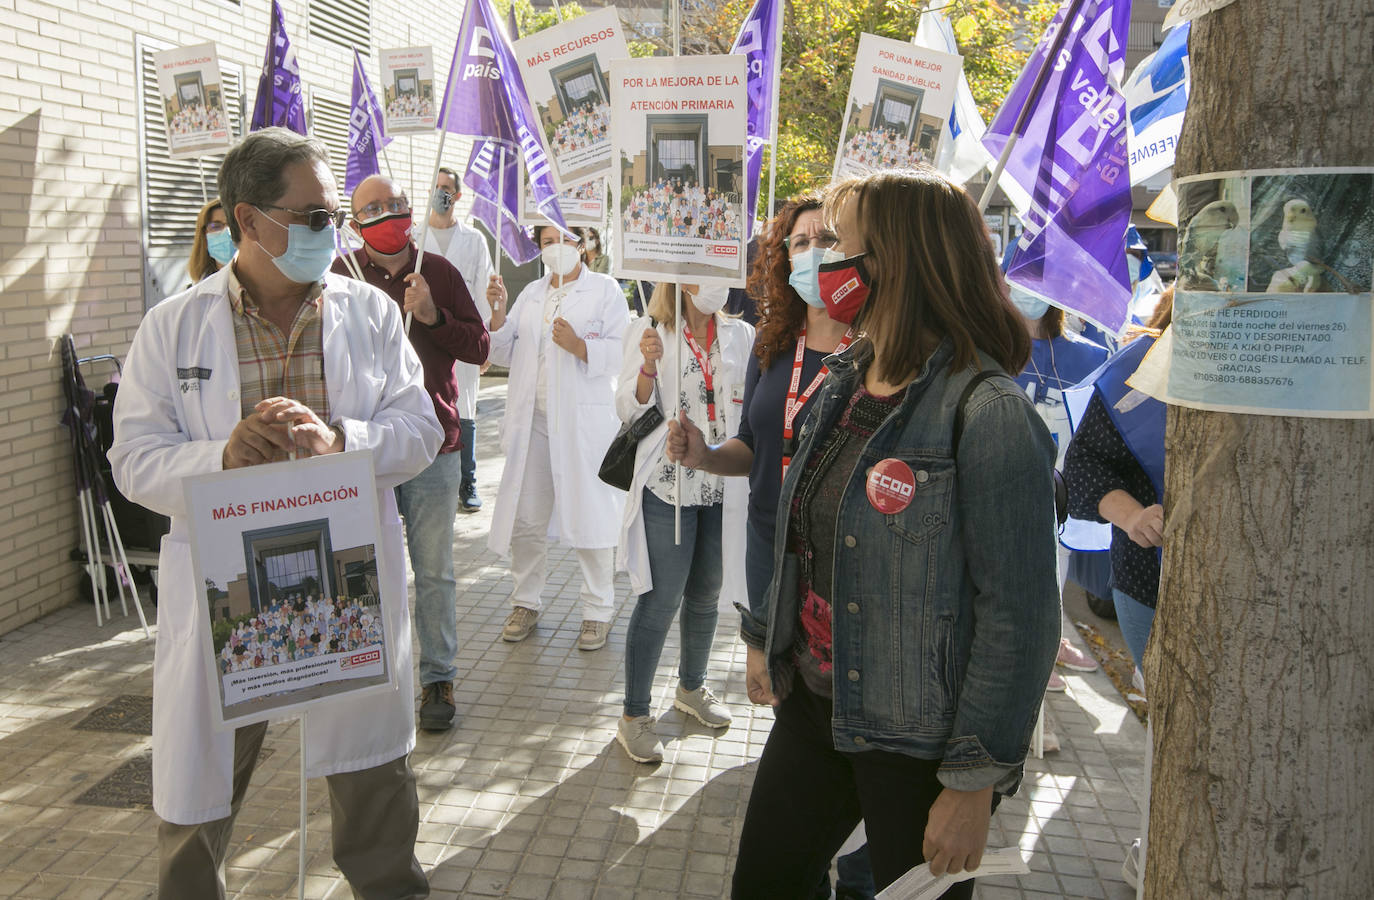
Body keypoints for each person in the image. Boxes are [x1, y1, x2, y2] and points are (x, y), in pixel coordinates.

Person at [108, 128, 438, 898]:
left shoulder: (371, 314)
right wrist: (217, 456)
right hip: (231, 586)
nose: (335, 232)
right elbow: (134, 459)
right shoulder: (174, 326)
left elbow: (422, 428)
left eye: (335, 217)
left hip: (345, 577)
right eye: (316, 216)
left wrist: (342, 441)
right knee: (201, 788)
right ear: (249, 221)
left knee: (374, 783)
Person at [729, 169, 1060, 898]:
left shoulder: (989, 413)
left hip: (917, 743)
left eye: (844, 245)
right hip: (817, 708)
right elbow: (800, 532)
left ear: (898, 263)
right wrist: (766, 635)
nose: (826, 263)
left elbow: (1022, 616)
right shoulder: (846, 377)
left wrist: (974, 784)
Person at [667, 194, 876, 897]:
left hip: (843, 578)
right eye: (800, 242)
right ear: (781, 258)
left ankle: (861, 855)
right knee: (800, 740)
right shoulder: (773, 347)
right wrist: (701, 454)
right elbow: (753, 448)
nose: (813, 252)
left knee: (844, 740)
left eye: (828, 239)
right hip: (769, 562)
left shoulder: (879, 353)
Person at [333, 174, 489, 733]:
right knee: (360, 570)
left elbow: (480, 346)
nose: (388, 213)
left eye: (396, 204)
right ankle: (368, 674)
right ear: (354, 224)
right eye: (372, 208)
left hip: (433, 446)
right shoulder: (339, 277)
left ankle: (437, 678)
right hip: (362, 450)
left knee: (434, 570)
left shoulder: (438, 272)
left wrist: (432, 317)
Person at [613, 282, 755, 763]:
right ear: (679, 277)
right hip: (667, 487)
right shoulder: (650, 331)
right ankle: (634, 715)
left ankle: (692, 688)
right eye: (700, 273)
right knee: (660, 600)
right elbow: (627, 410)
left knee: (706, 595)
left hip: (721, 483)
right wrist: (648, 368)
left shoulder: (742, 336)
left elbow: (748, 407)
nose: (712, 283)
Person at [1062, 287, 1172, 889]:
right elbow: (1085, 465)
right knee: (1168, 712)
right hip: (1145, 578)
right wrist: (1131, 515)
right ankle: (1153, 838)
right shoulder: (1138, 369)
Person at [486, 225, 631, 650]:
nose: (556, 248)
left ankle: (596, 611)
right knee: (526, 517)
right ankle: (525, 601)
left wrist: (580, 346)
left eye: (565, 239)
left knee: (590, 515)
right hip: (532, 420)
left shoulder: (605, 290)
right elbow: (503, 352)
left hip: (581, 423)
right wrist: (497, 312)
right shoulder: (531, 294)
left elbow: (621, 350)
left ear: (584, 245)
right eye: (547, 241)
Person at [1007, 287, 1109, 695]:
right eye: (1014, 281)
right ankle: (1028, 653)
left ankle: (1047, 645)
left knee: (1054, 567)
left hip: (1061, 491)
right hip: (1004, 484)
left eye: (1033, 284)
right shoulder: (990, 347)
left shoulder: (1091, 357)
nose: (1022, 293)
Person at [424, 166, 496, 513]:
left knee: (465, 408)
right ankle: (425, 483)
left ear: (457, 195)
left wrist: (482, 342)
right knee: (427, 407)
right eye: (435, 187)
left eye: (446, 188)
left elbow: (483, 292)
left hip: (462, 337)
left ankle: (467, 481)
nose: (440, 193)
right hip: (425, 337)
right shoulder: (415, 236)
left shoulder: (474, 240)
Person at [188, 197, 235, 283]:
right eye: (216, 226)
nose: (227, 232)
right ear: (203, 236)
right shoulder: (197, 293)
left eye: (232, 225)